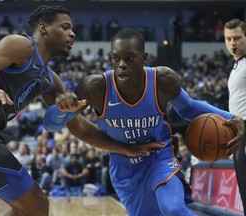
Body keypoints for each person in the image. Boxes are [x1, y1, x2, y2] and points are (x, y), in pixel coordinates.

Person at [0, 6, 159, 216]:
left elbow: (80, 128)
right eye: (65, 27)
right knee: (35, 204)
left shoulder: (50, 80)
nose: (72, 34)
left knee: (29, 207)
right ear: (43, 28)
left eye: (72, 29)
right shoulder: (21, 45)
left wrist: (124, 149)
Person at [44, 28, 245, 216]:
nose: (122, 64)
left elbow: (189, 108)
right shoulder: (96, 87)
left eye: (129, 58)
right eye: (116, 59)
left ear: (144, 58)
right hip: (125, 167)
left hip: (160, 156)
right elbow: (52, 125)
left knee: (173, 209)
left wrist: (232, 118)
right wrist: (60, 109)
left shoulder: (163, 79)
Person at [224, 18, 246, 214]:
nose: (233, 43)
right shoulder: (237, 65)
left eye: (237, 38)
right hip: (238, 132)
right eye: (229, 39)